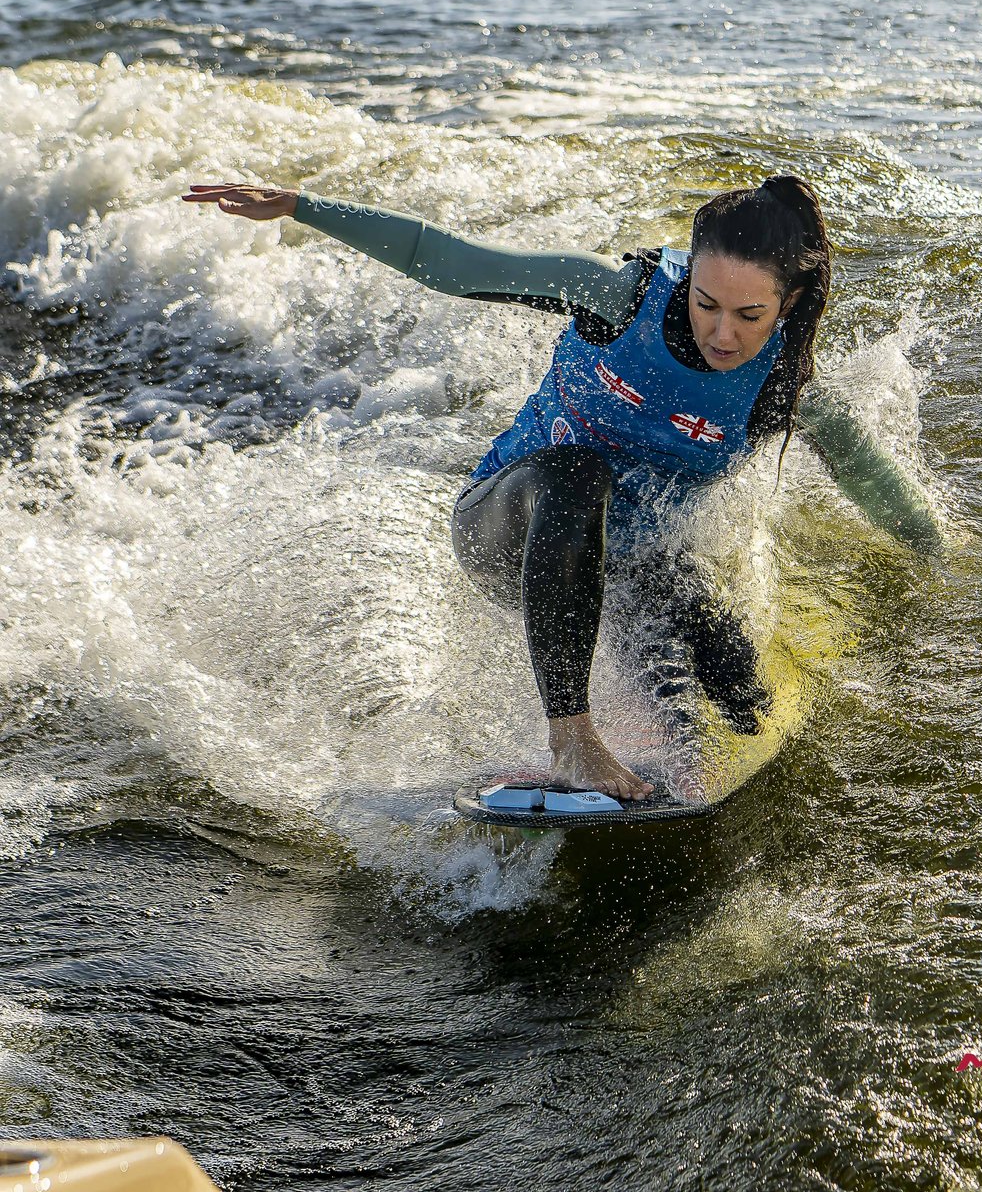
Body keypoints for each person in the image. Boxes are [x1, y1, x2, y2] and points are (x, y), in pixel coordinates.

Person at [185, 178, 941, 801]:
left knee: (742, 702)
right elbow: (450, 263)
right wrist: (302, 207)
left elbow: (872, 477)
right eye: (705, 302)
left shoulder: (784, 384)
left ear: (789, 304)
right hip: (509, 529)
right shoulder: (619, 297)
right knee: (581, 472)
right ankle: (573, 743)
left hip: (623, 568)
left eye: (749, 315)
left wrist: (941, 559)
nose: (721, 333)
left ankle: (671, 771)